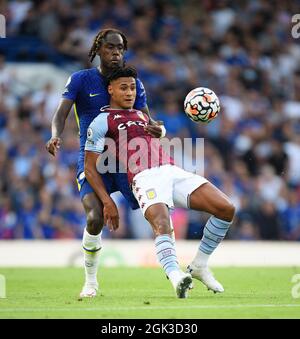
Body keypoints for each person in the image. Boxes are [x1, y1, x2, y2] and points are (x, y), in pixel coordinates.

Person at [84, 66, 235, 298]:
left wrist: (161, 131)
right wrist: (107, 201)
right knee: (163, 224)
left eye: (133, 88)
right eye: (123, 88)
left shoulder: (142, 115)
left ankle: (199, 265)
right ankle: (176, 276)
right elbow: (89, 168)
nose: (129, 93)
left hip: (172, 170)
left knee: (226, 208)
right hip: (144, 178)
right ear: (110, 90)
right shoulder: (102, 121)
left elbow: (157, 131)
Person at [45, 28, 166, 298]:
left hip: (125, 162)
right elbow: (61, 114)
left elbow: (148, 119)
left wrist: (158, 129)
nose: (116, 53)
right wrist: (54, 136)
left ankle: (178, 270)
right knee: (95, 217)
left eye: (121, 49)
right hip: (93, 161)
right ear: (98, 49)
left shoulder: (131, 81)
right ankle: (90, 282)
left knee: (157, 209)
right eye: (111, 47)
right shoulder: (80, 80)